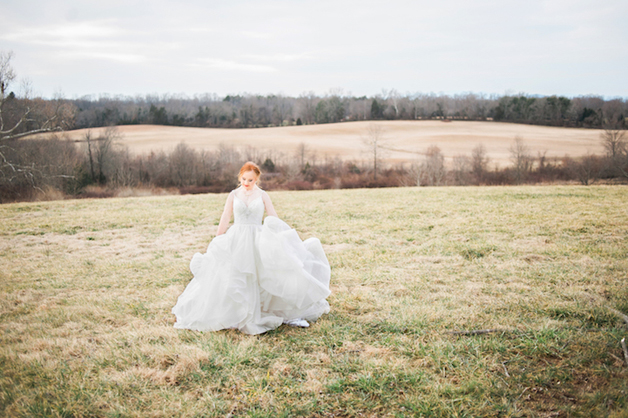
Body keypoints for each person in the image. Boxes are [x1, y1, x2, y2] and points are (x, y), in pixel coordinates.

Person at [172, 161, 331, 335]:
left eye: (251, 180)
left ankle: (279, 312)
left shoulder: (262, 195)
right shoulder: (233, 195)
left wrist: (282, 237)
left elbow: (273, 217)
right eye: (244, 179)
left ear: (257, 179)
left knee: (265, 273)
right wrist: (218, 239)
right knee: (235, 275)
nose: (246, 183)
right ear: (240, 177)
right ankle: (235, 313)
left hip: (258, 238)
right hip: (237, 238)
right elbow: (225, 216)